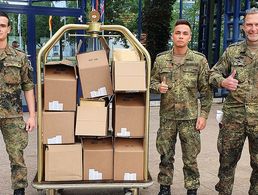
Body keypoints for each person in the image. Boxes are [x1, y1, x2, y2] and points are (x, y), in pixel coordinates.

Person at [150, 19, 212, 195]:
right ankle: (164, 188)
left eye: (185, 33)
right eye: (178, 33)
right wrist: (157, 87)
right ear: (172, 35)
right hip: (167, 117)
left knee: (190, 158)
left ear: (189, 37)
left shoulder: (199, 60)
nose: (181, 36)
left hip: (190, 118)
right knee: (165, 156)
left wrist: (204, 115)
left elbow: (206, 91)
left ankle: (192, 189)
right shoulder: (161, 59)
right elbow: (152, 81)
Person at [209, 7, 258, 195]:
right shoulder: (233, 51)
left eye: (257, 24)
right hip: (233, 119)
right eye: (250, 25)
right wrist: (223, 81)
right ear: (243, 27)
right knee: (227, 163)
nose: (253, 28)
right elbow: (213, 73)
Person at [0, 11, 35, 195]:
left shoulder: (19, 58)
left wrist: (32, 116)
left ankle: (19, 191)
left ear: (9, 29)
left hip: (12, 115)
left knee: (16, 156)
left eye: (2, 25)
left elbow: (28, 86)